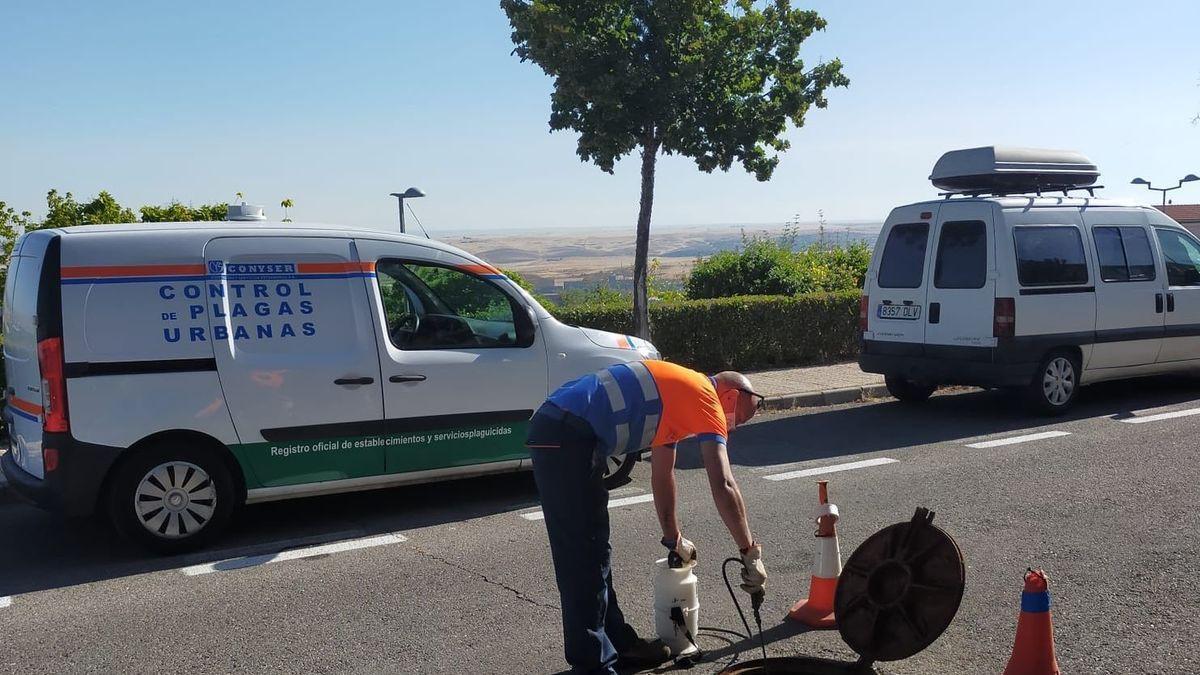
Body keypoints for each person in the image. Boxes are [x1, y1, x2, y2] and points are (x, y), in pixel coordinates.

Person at [525, 359, 768, 674]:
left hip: (569, 430)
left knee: (595, 547)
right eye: (737, 418)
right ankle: (592, 666)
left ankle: (619, 645)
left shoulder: (678, 400)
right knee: (580, 553)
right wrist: (749, 551)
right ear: (732, 397)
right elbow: (723, 483)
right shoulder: (705, 397)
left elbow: (662, 476)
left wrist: (674, 539)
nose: (730, 427)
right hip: (565, 431)